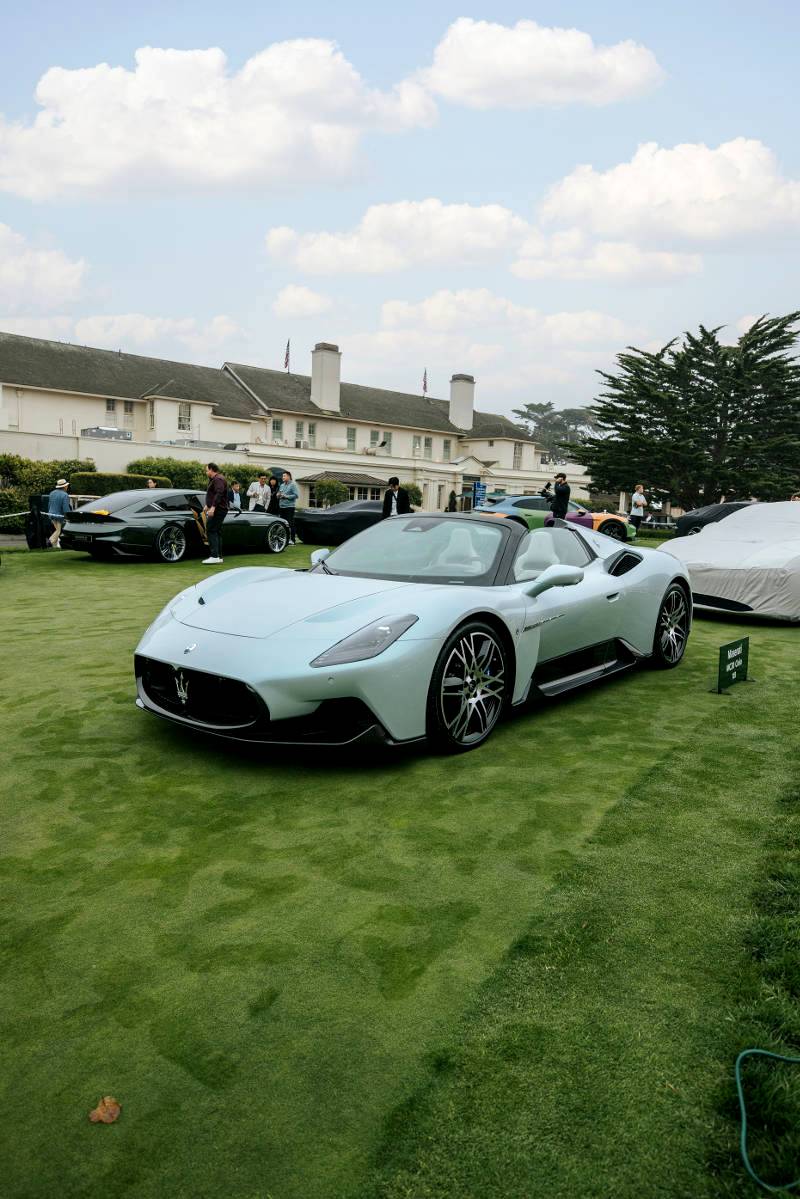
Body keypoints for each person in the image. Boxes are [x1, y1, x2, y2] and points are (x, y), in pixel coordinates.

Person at [202, 463, 229, 564]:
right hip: (218, 509)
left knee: (211, 530)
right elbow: (214, 494)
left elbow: (219, 493)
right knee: (216, 531)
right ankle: (219, 556)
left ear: (211, 470)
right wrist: (208, 505)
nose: (206, 472)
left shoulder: (218, 479)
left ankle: (214, 556)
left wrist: (212, 508)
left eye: (207, 470)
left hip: (218, 509)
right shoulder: (217, 479)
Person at [46, 478, 71, 548]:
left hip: (51, 514)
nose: (67, 487)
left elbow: (49, 505)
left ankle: (55, 546)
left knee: (57, 530)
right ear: (64, 487)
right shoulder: (65, 495)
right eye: (66, 486)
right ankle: (49, 542)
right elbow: (65, 508)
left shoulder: (52, 493)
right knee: (58, 531)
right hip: (59, 516)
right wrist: (69, 516)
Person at [278, 470, 299, 544]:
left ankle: (292, 540)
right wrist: (278, 495)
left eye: (284, 476)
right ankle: (284, 539)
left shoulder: (293, 485)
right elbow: (280, 493)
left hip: (289, 507)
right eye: (282, 476)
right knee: (282, 523)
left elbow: (296, 495)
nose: (283, 477)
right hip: (282, 507)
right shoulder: (282, 485)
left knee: (290, 523)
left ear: (289, 476)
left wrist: (286, 496)